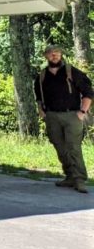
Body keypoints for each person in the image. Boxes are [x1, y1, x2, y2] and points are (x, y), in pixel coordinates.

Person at [33, 44, 92, 194]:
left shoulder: (71, 71)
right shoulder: (41, 76)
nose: (55, 55)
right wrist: (42, 112)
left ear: (61, 55)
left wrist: (82, 111)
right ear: (46, 56)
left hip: (72, 115)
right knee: (60, 148)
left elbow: (88, 92)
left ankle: (79, 180)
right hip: (52, 116)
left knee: (73, 148)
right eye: (51, 53)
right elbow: (39, 97)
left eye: (57, 53)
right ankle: (70, 176)